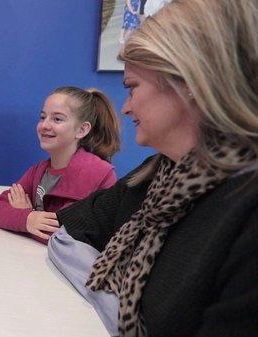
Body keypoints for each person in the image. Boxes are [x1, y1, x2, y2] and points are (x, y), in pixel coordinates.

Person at [48, 0, 257, 335]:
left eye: (132, 87)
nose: (127, 107)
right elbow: (75, 221)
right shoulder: (155, 174)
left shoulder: (245, 214)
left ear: (189, 80)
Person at [0, 86, 121, 244]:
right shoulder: (38, 170)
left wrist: (24, 213)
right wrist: (28, 219)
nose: (44, 125)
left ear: (82, 130)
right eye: (43, 117)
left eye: (57, 119)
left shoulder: (99, 174)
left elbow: (66, 237)